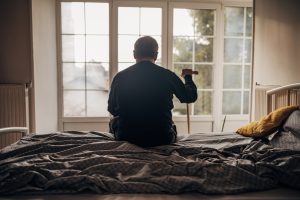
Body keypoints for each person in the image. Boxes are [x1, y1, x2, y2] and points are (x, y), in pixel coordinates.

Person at [108, 36, 197, 147]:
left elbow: (112, 109)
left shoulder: (120, 77)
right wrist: (187, 77)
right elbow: (190, 97)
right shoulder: (167, 75)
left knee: (114, 121)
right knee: (170, 124)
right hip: (162, 138)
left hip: (128, 138)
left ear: (134, 54)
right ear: (156, 55)